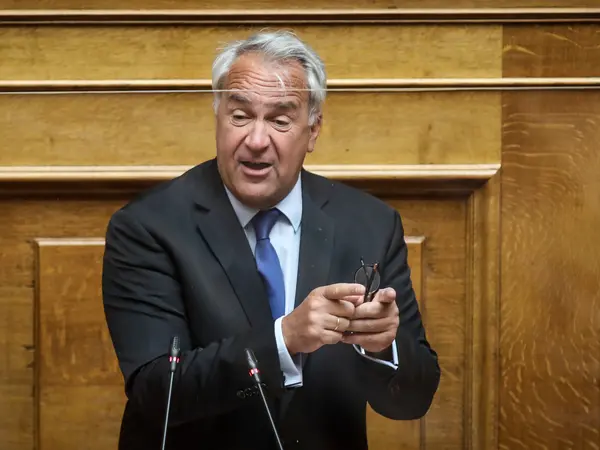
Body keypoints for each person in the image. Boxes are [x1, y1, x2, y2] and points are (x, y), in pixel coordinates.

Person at [102, 30, 440, 450]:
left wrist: (382, 347)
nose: (256, 141)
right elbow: (157, 393)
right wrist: (285, 339)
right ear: (218, 116)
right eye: (240, 116)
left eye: (280, 121)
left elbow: (413, 400)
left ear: (313, 131)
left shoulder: (370, 224)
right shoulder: (148, 227)